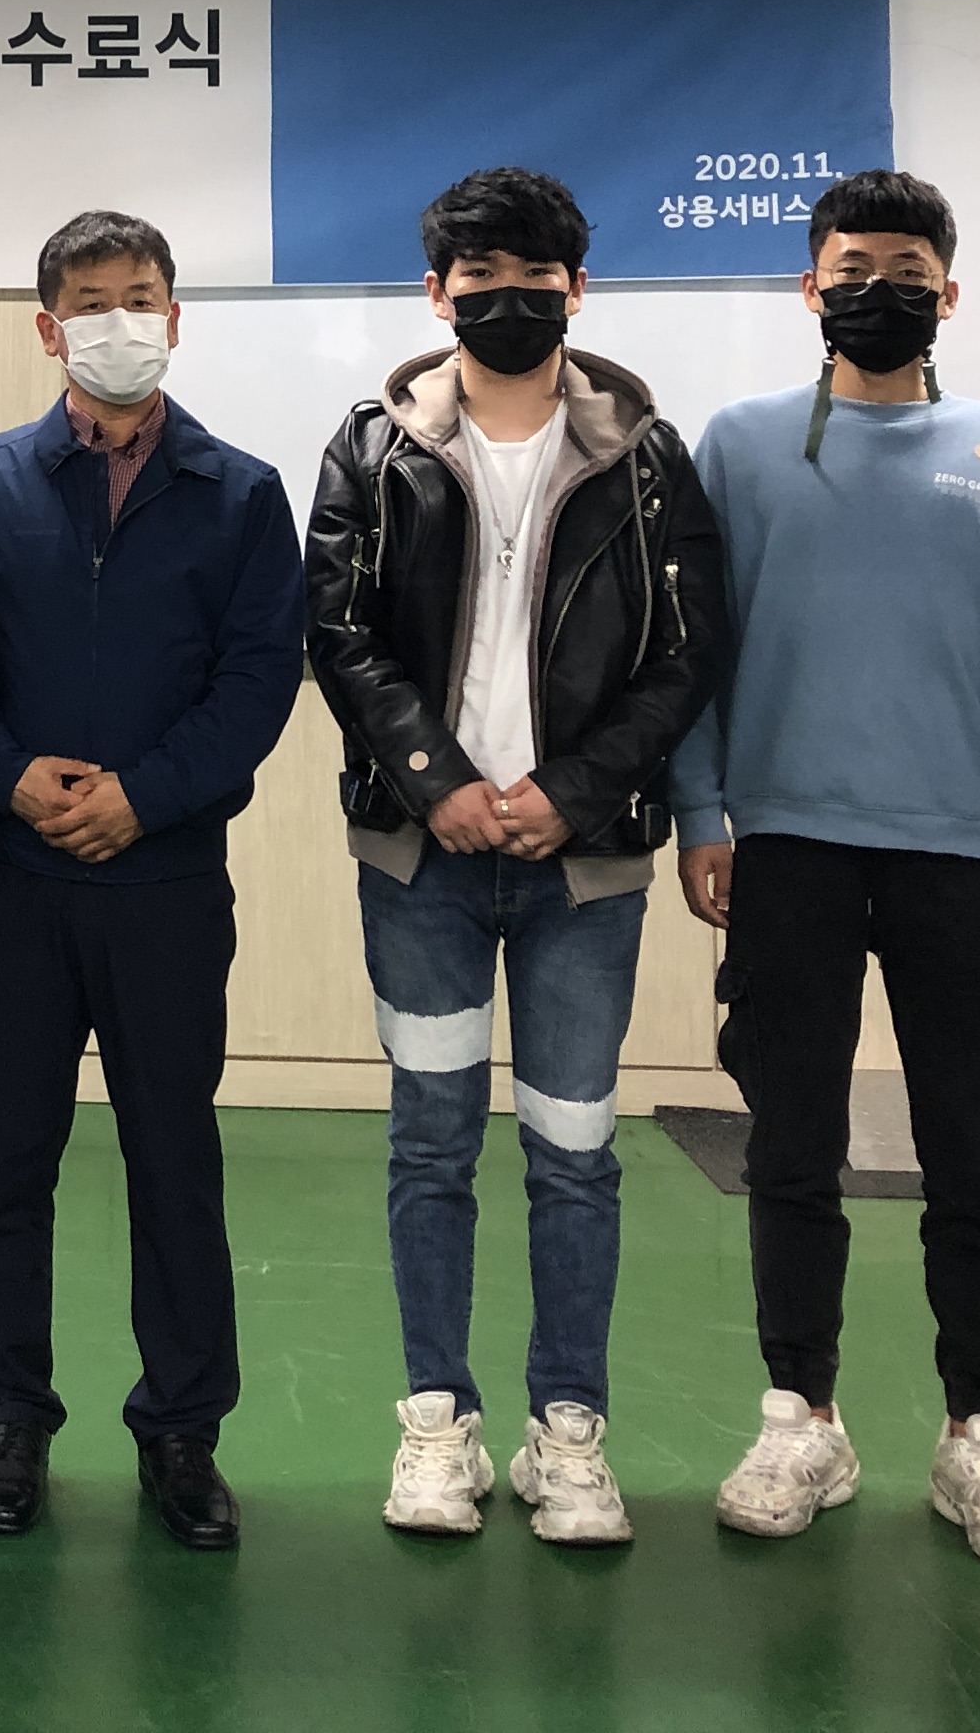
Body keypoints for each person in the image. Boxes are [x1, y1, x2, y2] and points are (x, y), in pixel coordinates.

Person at [671, 167, 980, 1575]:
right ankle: (801, 1415)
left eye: (907, 273)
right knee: (790, 1148)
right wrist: (701, 809)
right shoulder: (738, 446)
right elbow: (700, 653)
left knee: (972, 1153)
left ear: (948, 295)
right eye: (851, 269)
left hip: (959, 850)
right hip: (784, 844)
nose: (877, 291)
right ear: (810, 287)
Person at [306, 166, 722, 1549]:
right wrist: (436, 786)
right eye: (478, 278)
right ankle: (438, 1423)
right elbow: (340, 633)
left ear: (576, 289)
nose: (508, 299)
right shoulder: (374, 447)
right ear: (438, 295)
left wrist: (570, 793)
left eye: (535, 277)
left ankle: (568, 1433)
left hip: (580, 871)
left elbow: (685, 660)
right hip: (422, 861)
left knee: (574, 1153)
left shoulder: (647, 458)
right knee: (430, 1144)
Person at [0, 210, 301, 1552]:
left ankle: (183, 1430)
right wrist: (10, 777)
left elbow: (258, 681)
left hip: (166, 883)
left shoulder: (242, 494)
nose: (118, 323)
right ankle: (9, 1420)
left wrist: (145, 796)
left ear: (175, 317)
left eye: (140, 297)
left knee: (174, 1157)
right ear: (48, 328)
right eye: (91, 302)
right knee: (6, 1159)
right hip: (11, 878)